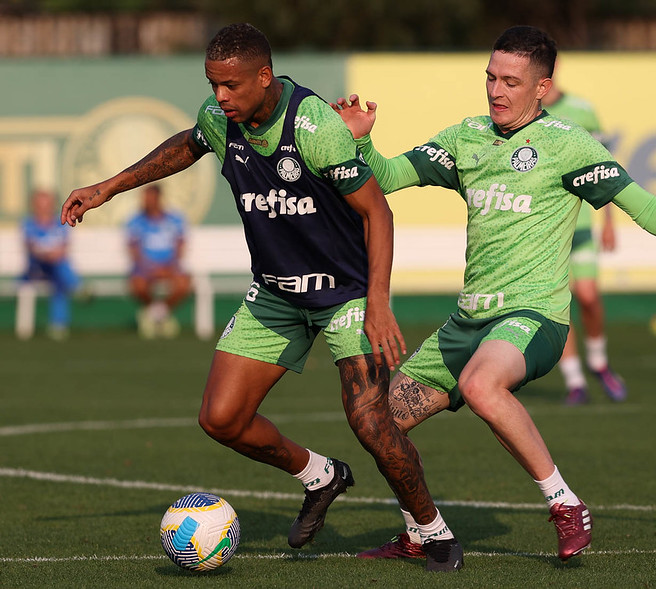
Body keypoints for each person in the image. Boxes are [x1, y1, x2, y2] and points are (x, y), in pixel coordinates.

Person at [332, 25, 656, 562]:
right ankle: (423, 532)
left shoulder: (568, 146)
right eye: (490, 78)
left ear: (542, 87)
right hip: (467, 324)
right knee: (378, 424)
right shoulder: (466, 138)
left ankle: (564, 503)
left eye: (511, 81)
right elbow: (383, 178)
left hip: (533, 318)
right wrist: (358, 140)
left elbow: (645, 206)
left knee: (482, 385)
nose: (496, 91)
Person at [61, 23, 462, 573]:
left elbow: (377, 212)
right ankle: (321, 476)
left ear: (264, 77)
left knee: (370, 420)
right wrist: (107, 188)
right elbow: (186, 144)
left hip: (344, 293)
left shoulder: (315, 126)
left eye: (229, 85)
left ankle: (431, 530)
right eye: (212, 84)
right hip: (274, 293)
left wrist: (378, 300)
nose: (219, 97)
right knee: (221, 419)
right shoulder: (218, 118)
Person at [542, 82, 627, 405]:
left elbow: (602, 167)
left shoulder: (582, 110)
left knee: (589, 297)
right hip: (546, 232)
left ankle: (598, 361)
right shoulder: (526, 113)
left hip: (580, 228)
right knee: (558, 304)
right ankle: (575, 380)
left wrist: (607, 221)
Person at [126, 184, 191, 338]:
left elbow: (180, 247)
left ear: (158, 198)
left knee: (184, 283)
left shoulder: (174, 220)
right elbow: (134, 251)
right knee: (137, 284)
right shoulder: (136, 221)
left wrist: (168, 268)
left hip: (170, 268)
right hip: (145, 269)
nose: (145, 201)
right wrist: (151, 268)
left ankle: (155, 315)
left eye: (149, 198)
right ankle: (162, 317)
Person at [20, 189, 83, 340]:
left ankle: (58, 325)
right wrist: (47, 255)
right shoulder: (29, 223)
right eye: (40, 204)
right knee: (59, 268)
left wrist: (53, 255)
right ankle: (78, 287)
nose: (44, 207)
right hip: (36, 268)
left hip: (55, 267)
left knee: (59, 278)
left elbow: (64, 247)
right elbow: (31, 247)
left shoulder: (59, 223)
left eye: (46, 203)